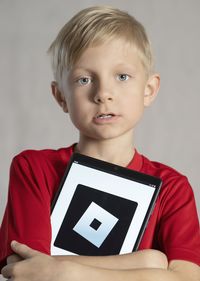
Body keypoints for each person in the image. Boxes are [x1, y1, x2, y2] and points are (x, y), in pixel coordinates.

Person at [1, 5, 200, 281]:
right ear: (61, 97)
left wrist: (65, 270)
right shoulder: (33, 168)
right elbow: (25, 270)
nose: (103, 93)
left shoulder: (173, 189)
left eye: (122, 77)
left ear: (149, 89)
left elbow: (187, 278)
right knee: (155, 258)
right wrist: (149, 264)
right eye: (84, 79)